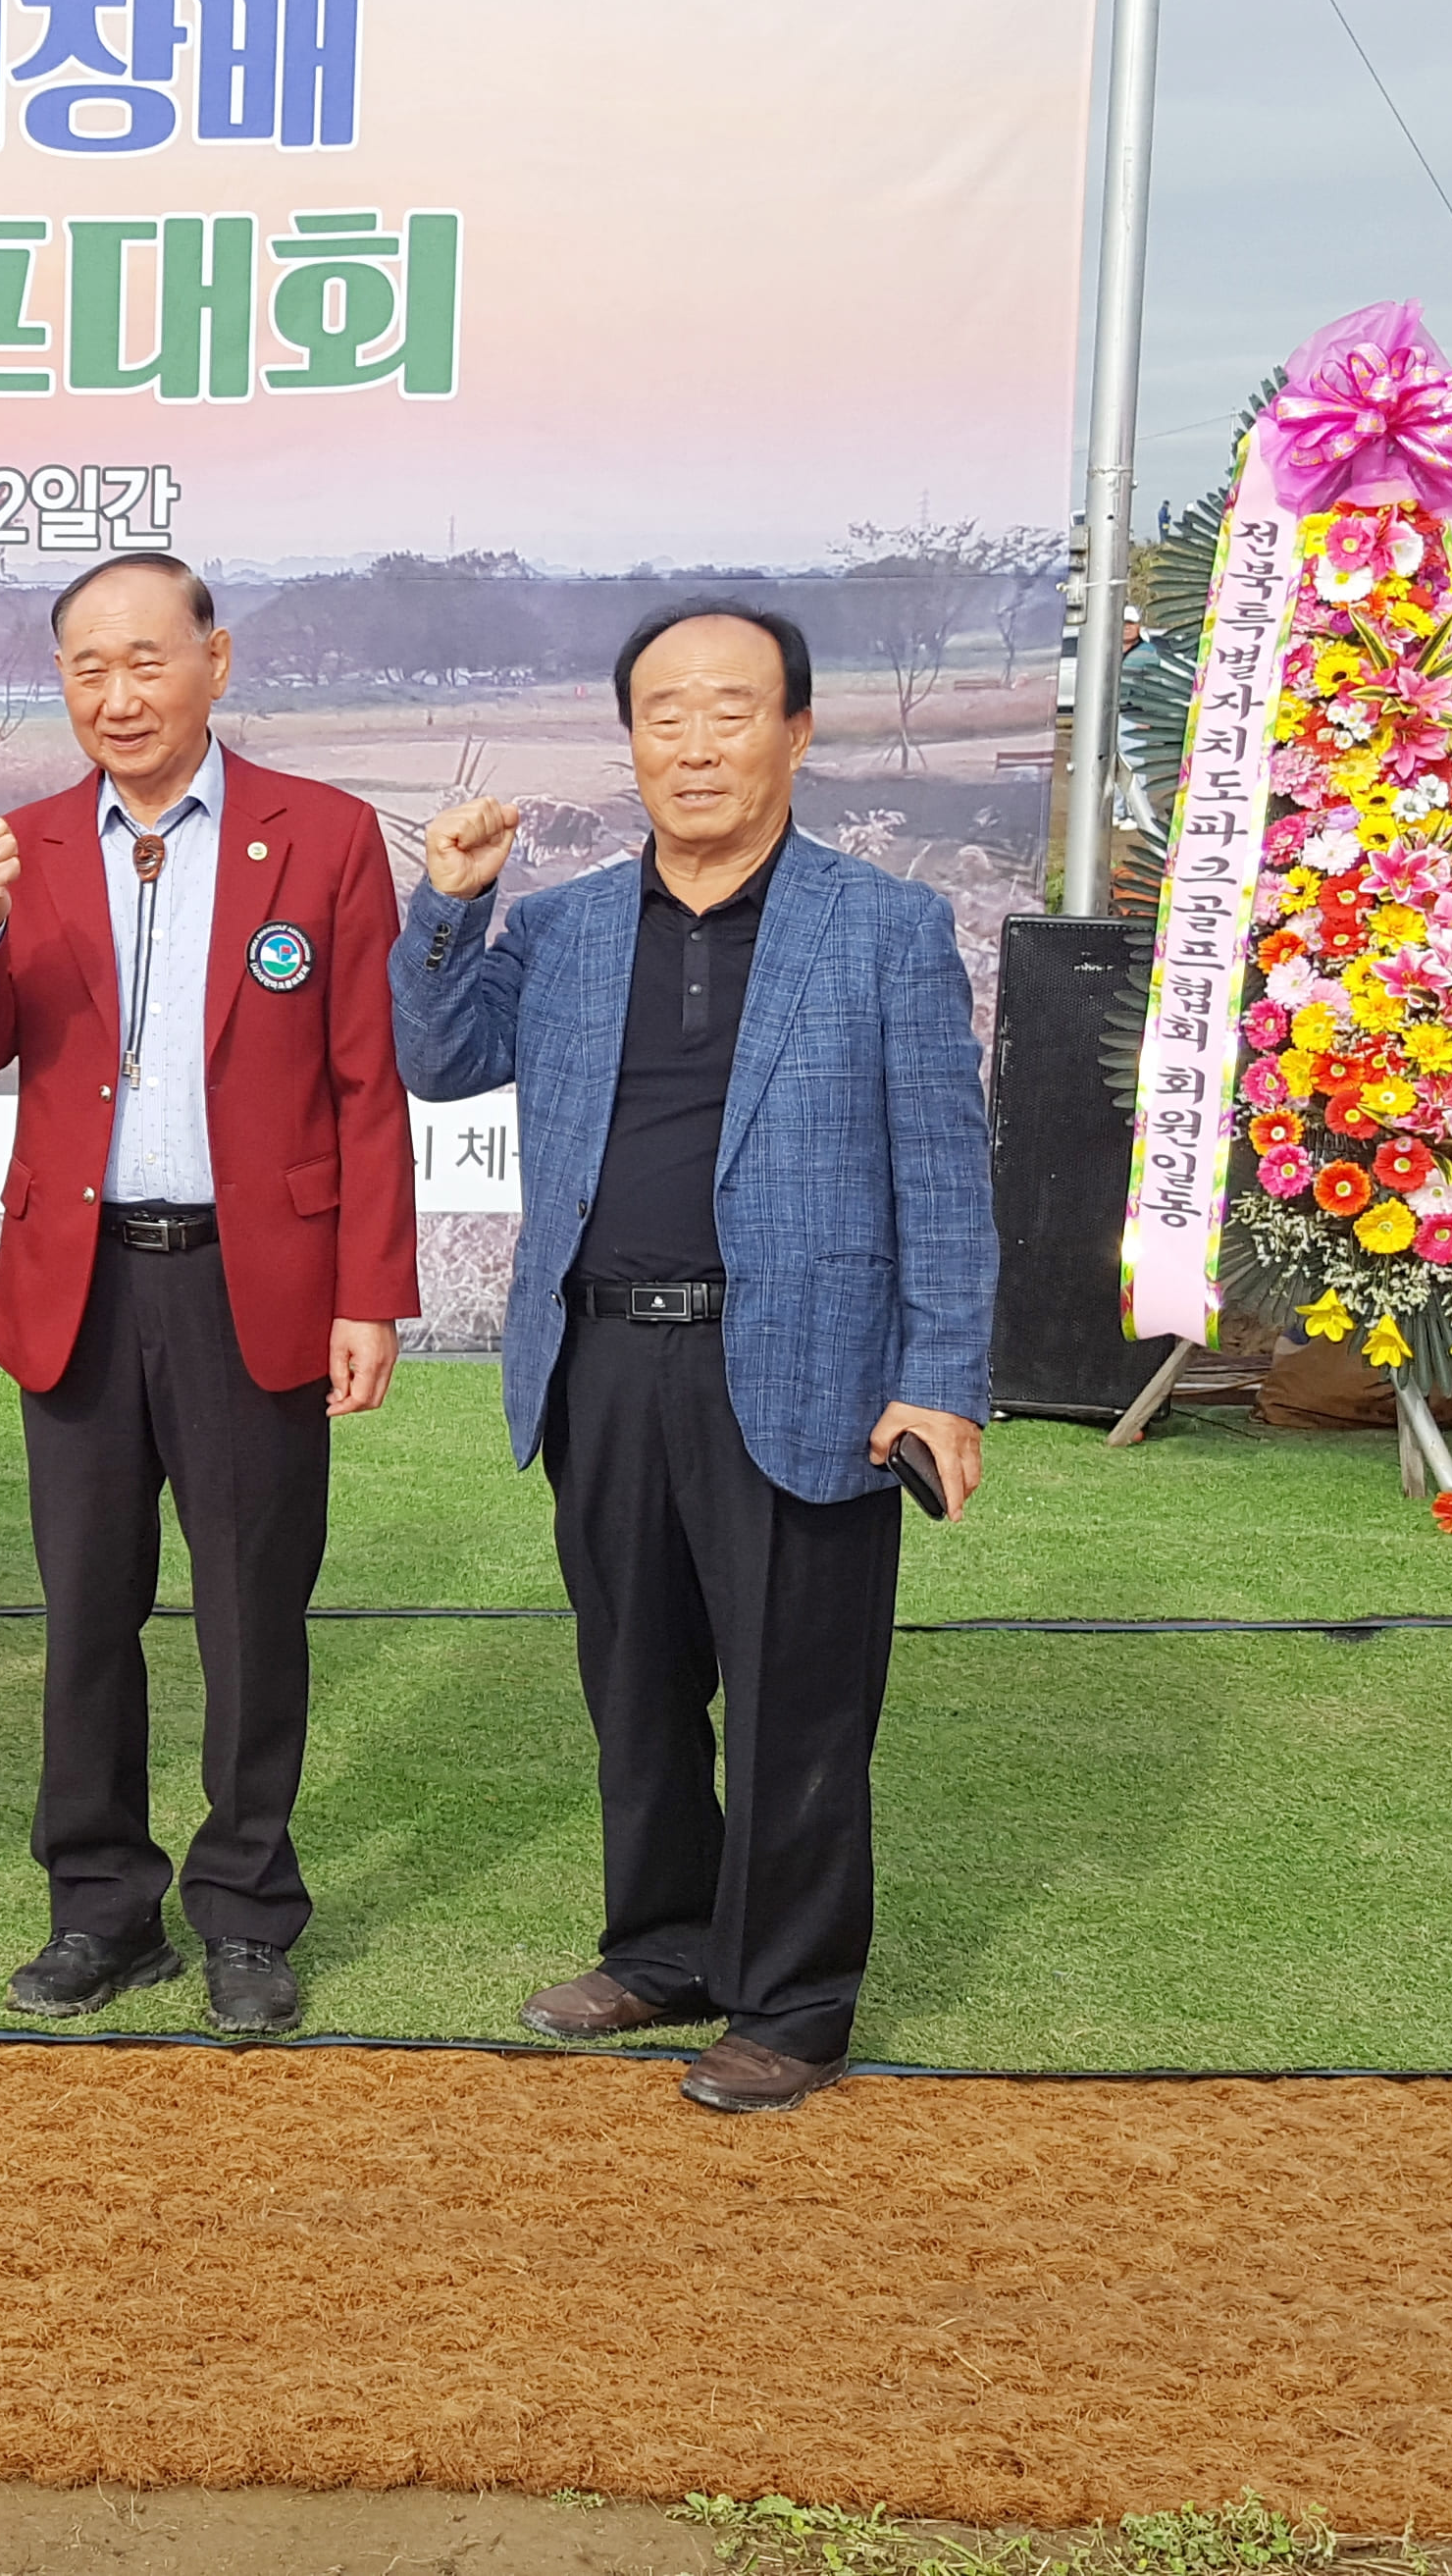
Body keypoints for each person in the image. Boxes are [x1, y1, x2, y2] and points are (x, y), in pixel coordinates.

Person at [388, 601, 989, 2115]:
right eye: (665, 715)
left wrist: (941, 1379)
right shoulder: (568, 929)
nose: (697, 745)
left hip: (807, 1369)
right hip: (600, 1364)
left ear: (797, 730)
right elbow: (439, 1059)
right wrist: (452, 905)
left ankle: (792, 2002)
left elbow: (944, 1170)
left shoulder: (885, 927)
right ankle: (660, 1950)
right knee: (637, 1687)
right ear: (632, 741)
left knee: (800, 1704)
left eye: (732, 711)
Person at [0, 552, 415, 2037]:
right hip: (79, 1283)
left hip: (253, 1280)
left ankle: (248, 1910)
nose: (118, 695)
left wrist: (369, 1293)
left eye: (146, 660)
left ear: (216, 661)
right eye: (88, 668)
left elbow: (367, 1081)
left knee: (253, 1614)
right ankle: (100, 1909)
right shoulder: (24, 844)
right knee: (88, 1611)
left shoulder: (322, 836)